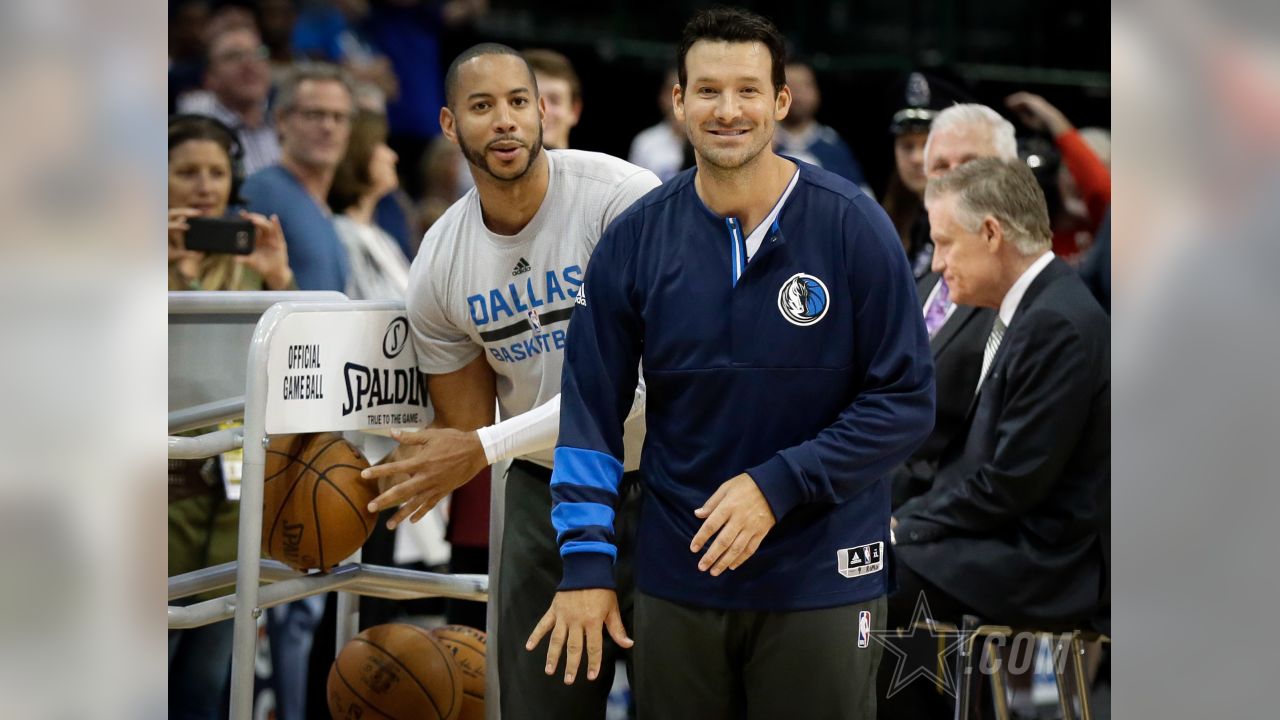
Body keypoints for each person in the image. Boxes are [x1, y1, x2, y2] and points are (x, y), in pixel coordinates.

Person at [527, 8, 934, 718]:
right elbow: (590, 412)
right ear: (677, 101)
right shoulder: (633, 242)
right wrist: (588, 564)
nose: (727, 111)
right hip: (677, 578)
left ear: (780, 101)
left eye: (748, 91)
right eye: (707, 91)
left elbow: (904, 402)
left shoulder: (852, 224)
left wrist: (779, 484)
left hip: (824, 575)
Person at [358, 43, 660, 719]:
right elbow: (466, 426)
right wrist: (390, 468)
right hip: (541, 494)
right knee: (538, 707)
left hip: (664, 481)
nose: (505, 121)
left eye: (519, 102)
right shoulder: (440, 259)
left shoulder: (623, 199)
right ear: (447, 123)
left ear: (544, 112)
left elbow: (640, 384)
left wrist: (484, 446)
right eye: (483, 106)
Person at [889, 157, 1109, 712]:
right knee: (868, 557)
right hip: (1014, 533)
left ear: (990, 233)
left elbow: (1012, 482)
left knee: (885, 576)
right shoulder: (1035, 307)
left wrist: (905, 528)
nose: (937, 265)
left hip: (1049, 556)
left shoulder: (1055, 321)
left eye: (945, 244)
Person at [167, 114, 293, 720]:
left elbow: (290, 373)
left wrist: (279, 281)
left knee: (213, 668)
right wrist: (167, 274)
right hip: (157, 491)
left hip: (235, 490)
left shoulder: (251, 266)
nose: (204, 186)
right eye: (186, 171)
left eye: (217, 172)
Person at [891, 103, 1013, 508]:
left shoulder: (1021, 294)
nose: (956, 177)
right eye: (941, 165)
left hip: (938, 526)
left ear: (1011, 174)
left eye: (972, 164)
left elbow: (993, 459)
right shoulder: (924, 281)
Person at [241, 62, 355, 292]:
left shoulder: (322, 206)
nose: (328, 127)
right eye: (315, 114)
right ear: (281, 120)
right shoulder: (262, 192)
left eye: (339, 117)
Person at [176, 22, 281, 176]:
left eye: (258, 53)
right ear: (210, 78)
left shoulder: (286, 124)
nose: (249, 64)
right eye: (233, 56)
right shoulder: (194, 131)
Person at [327, 109, 412, 300]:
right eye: (381, 144)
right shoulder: (339, 235)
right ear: (359, 152)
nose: (392, 156)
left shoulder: (384, 239)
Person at [773, 59, 867, 190]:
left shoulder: (833, 146)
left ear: (817, 92)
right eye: (789, 86)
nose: (798, 93)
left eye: (805, 85)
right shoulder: (761, 145)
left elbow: (861, 199)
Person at [627, 69, 687, 182]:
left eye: (686, 92)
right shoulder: (646, 142)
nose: (680, 101)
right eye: (674, 92)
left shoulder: (711, 140)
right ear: (663, 97)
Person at [523, 49, 583, 150]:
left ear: (575, 111)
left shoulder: (606, 165)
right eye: (529, 99)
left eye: (554, 101)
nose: (542, 111)